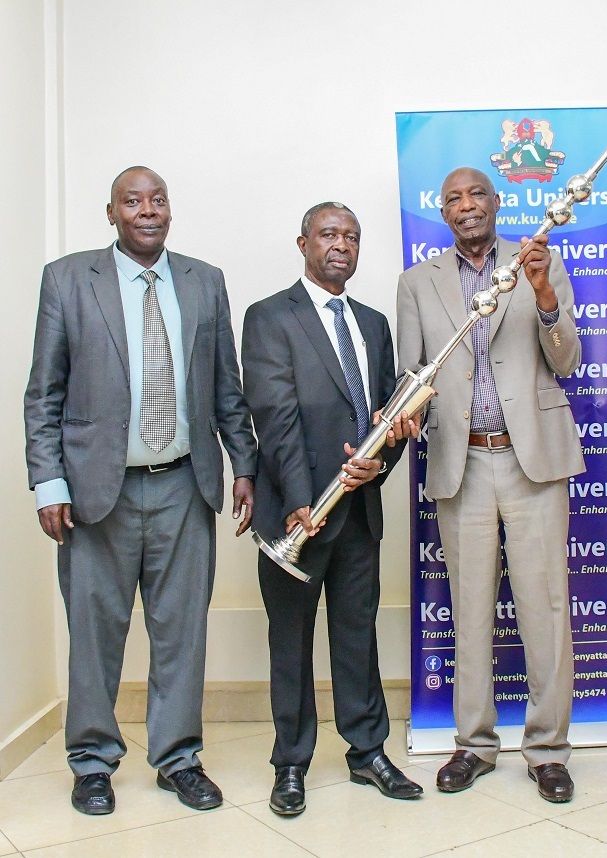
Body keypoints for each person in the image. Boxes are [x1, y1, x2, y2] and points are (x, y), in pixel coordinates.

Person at [24, 166, 257, 815]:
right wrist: (49, 483)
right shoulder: (69, 280)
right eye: (134, 201)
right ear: (112, 213)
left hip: (185, 485)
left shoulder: (204, 282)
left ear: (169, 212)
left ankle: (179, 757)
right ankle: (92, 762)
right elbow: (42, 393)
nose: (147, 210)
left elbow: (227, 389)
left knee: (181, 631)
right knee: (95, 634)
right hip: (98, 493)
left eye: (158, 200)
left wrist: (243, 465)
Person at [396, 167, 584, 803]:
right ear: (442, 212)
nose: (467, 205)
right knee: (470, 609)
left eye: (477, 194)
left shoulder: (536, 262)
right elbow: (413, 374)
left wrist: (544, 295)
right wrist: (407, 411)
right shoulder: (416, 283)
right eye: (453, 198)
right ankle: (474, 744)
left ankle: (548, 750)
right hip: (462, 462)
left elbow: (567, 360)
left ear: (497, 204)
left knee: (545, 609)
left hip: (533, 461)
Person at [241, 201, 422, 817]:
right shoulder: (269, 317)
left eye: (351, 236)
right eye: (328, 235)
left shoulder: (372, 324)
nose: (340, 245)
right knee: (289, 643)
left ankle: (367, 751)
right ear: (303, 243)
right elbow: (275, 417)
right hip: (295, 517)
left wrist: (380, 464)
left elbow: (385, 421)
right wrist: (300, 502)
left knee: (356, 637)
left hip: (358, 513)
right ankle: (290, 762)